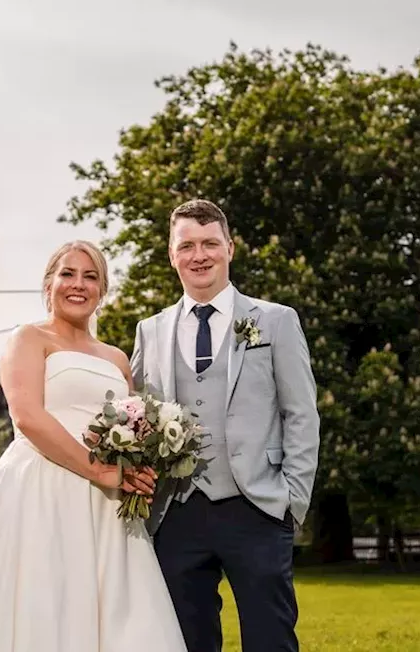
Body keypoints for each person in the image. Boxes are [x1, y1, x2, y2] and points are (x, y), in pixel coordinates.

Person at [0, 240, 187, 651]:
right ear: (48, 284)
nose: (78, 284)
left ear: (103, 290)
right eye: (68, 273)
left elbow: (132, 421)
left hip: (107, 506)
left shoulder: (117, 359)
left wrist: (136, 463)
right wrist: (96, 469)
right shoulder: (28, 339)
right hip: (41, 491)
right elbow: (27, 418)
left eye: (91, 276)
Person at [130, 199, 321, 652]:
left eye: (210, 243)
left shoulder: (275, 320)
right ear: (172, 254)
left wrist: (292, 499)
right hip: (176, 513)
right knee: (186, 641)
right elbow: (139, 415)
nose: (200, 255)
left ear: (230, 249)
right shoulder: (149, 331)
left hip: (255, 505)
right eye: (188, 245)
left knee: (269, 639)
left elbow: (302, 414)